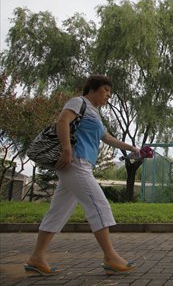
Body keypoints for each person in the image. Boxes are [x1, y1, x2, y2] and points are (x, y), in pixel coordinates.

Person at [25, 75, 140, 276]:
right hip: (75, 163)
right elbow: (63, 121)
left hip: (81, 165)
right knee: (98, 204)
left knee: (58, 212)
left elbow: (106, 137)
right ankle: (110, 256)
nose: (108, 96)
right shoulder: (79, 102)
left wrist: (131, 148)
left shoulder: (95, 113)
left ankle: (36, 258)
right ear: (93, 89)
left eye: (110, 93)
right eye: (106, 91)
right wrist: (67, 150)